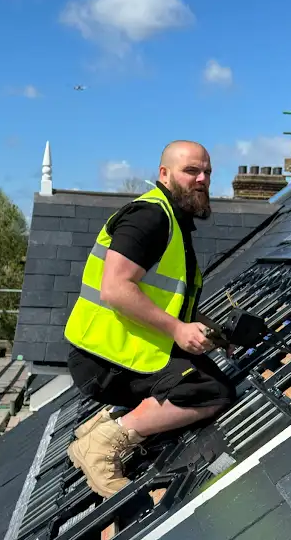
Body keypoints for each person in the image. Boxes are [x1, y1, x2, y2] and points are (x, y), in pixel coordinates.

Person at [64, 140, 236, 498]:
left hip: (121, 348)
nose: (202, 179)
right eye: (191, 171)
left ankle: (105, 422)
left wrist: (214, 333)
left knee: (207, 374)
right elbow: (114, 288)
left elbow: (171, 304)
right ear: (164, 174)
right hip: (104, 357)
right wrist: (176, 329)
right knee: (210, 390)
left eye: (207, 172)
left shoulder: (172, 220)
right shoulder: (150, 216)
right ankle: (102, 447)